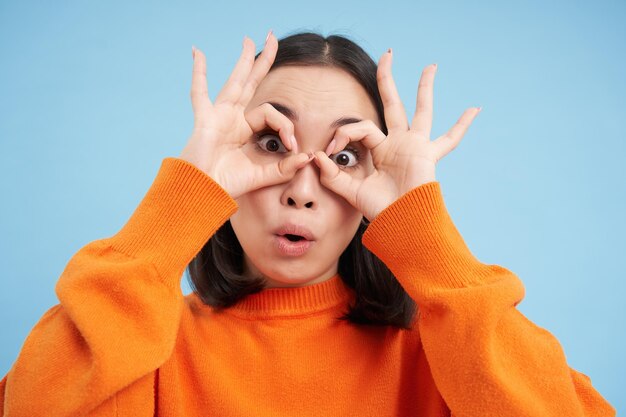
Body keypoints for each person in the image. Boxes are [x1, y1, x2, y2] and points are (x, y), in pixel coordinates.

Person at [0, 30, 615, 416]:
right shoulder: (147, 347)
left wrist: (421, 228)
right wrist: (181, 200)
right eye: (271, 143)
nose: (302, 190)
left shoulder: (444, 356)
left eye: (342, 158)